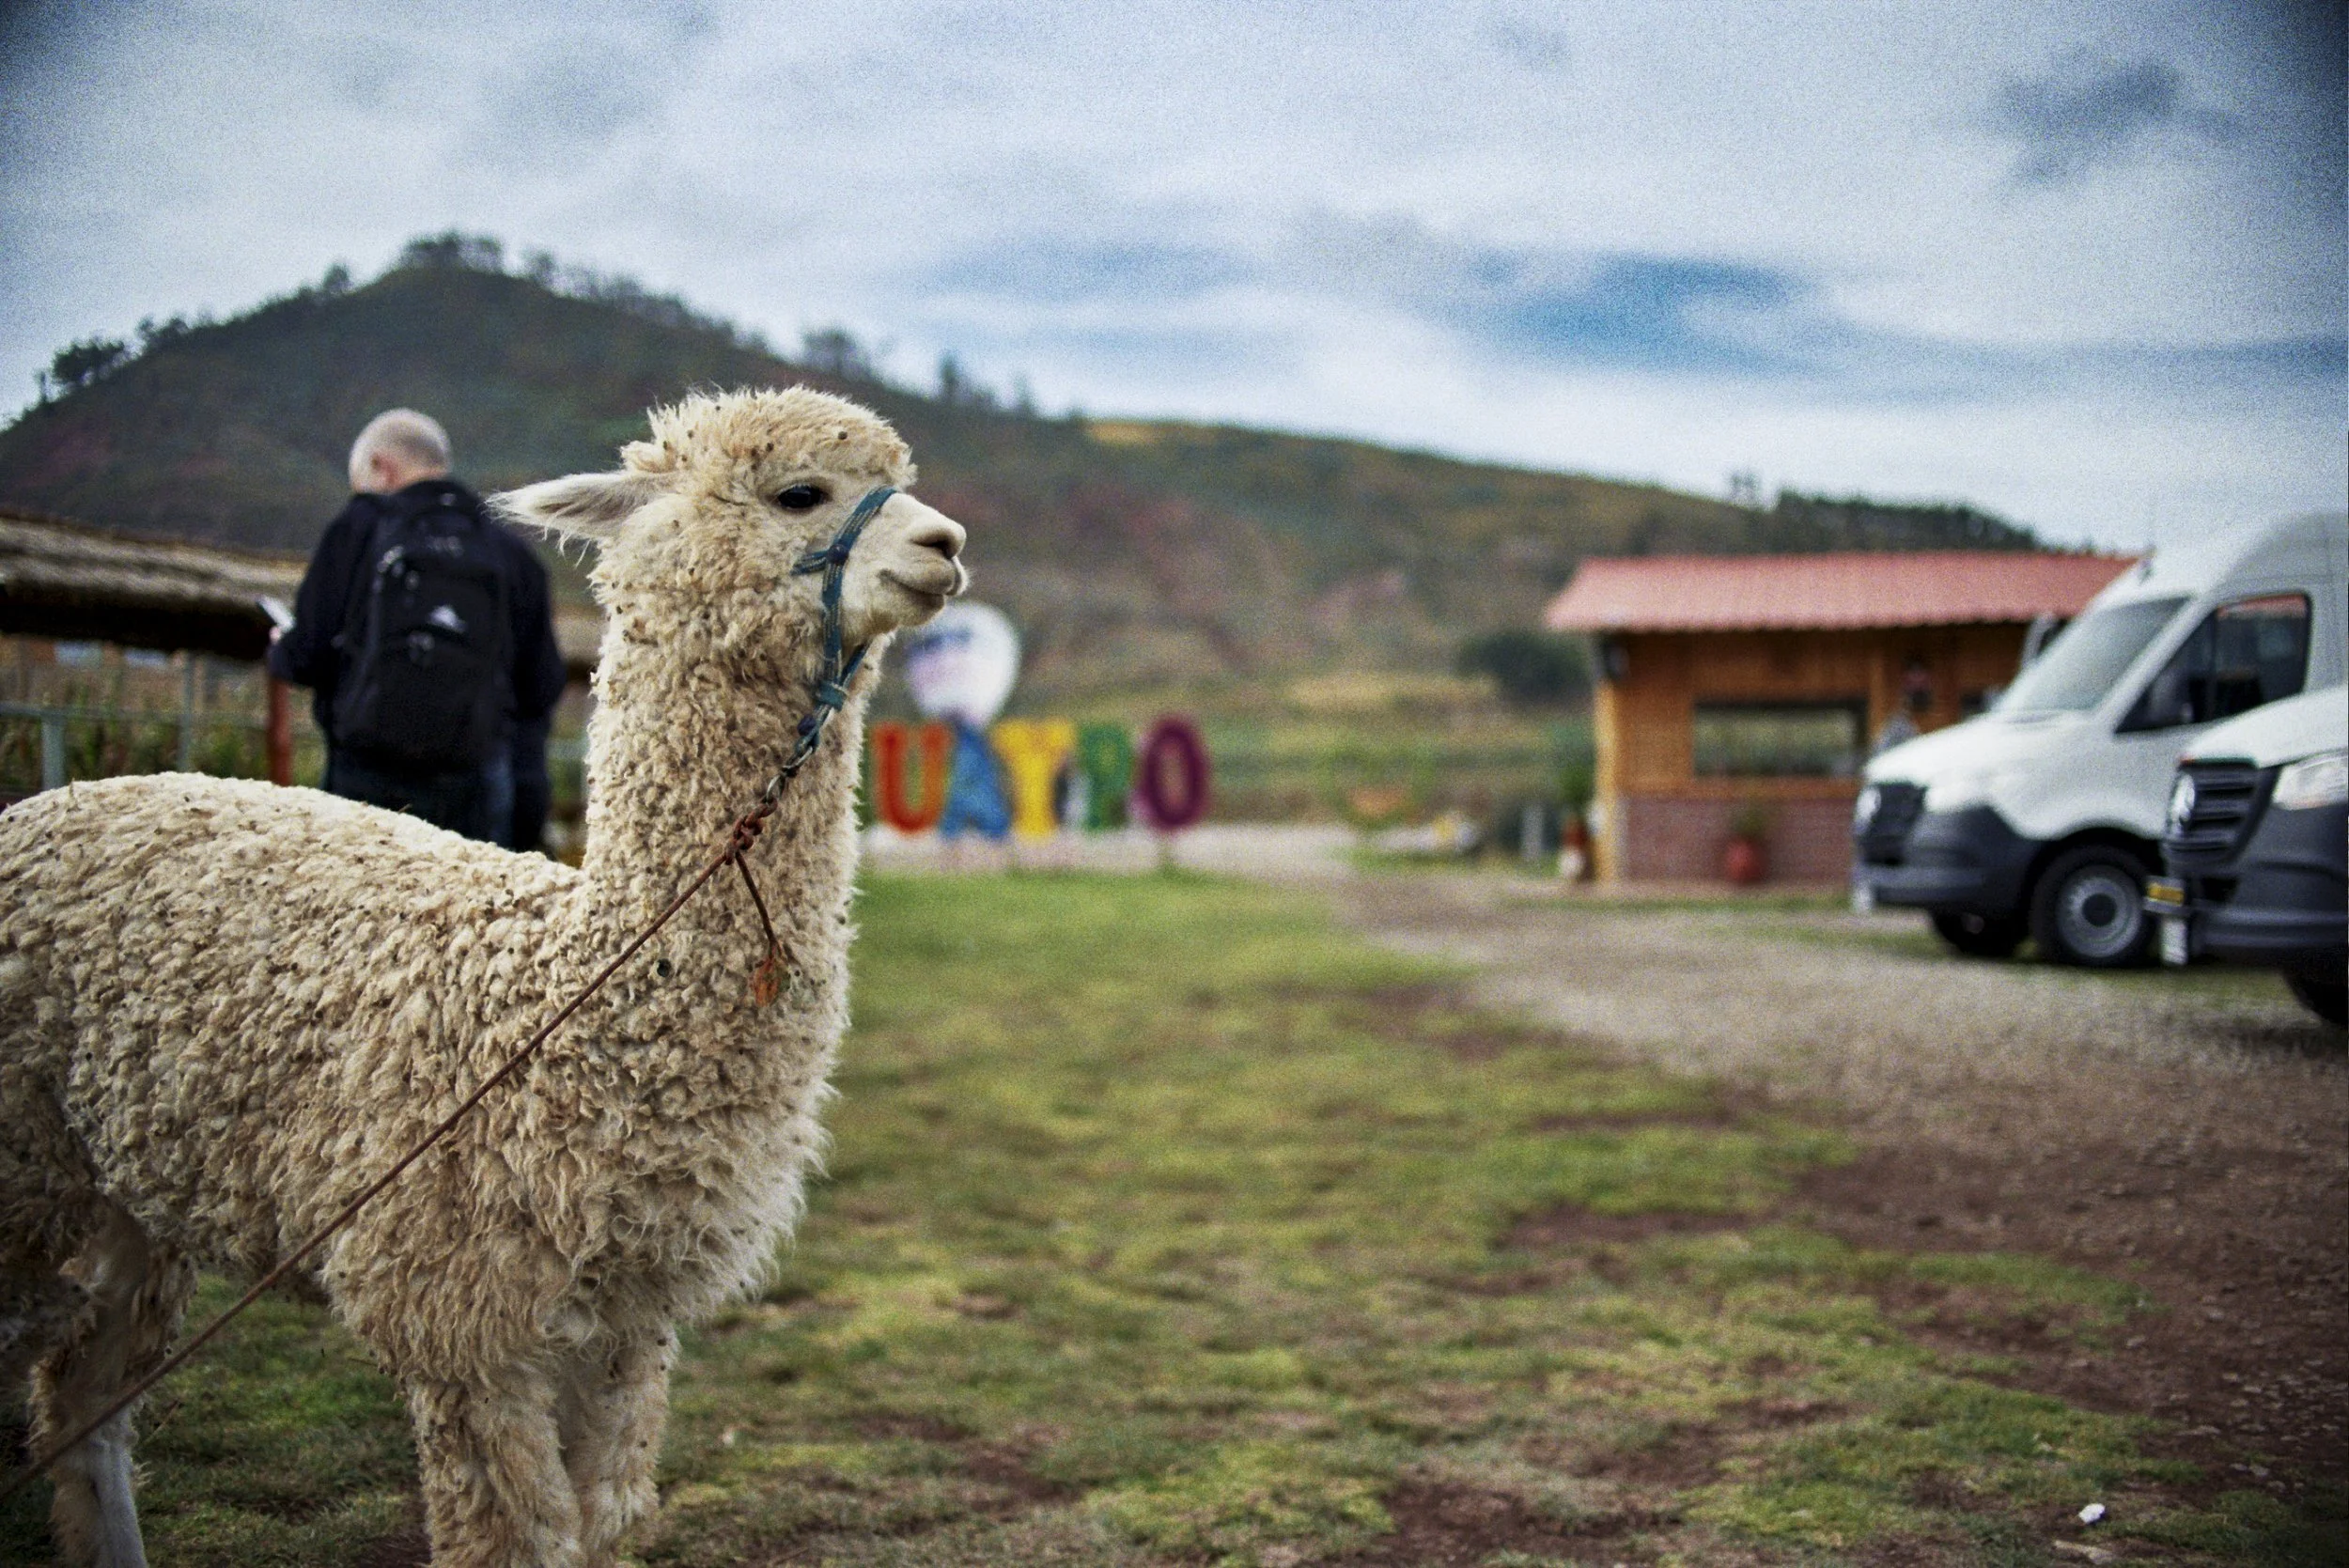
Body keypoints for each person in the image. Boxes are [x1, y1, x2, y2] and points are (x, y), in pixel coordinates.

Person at [269, 409, 564, 844]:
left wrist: (282, 647)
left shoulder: (360, 526)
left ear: (379, 468)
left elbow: (308, 654)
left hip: (366, 781)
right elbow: (540, 686)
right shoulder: (511, 554)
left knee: (358, 903)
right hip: (475, 788)